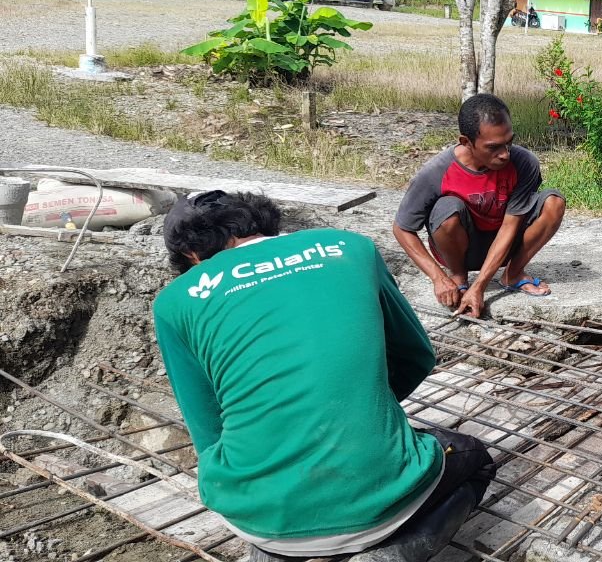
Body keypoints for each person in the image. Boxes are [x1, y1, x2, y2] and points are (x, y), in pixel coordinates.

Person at [153, 191, 496, 561]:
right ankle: (390, 555)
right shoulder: (349, 247)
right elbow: (415, 356)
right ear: (261, 221)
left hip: (257, 516)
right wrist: (356, 408)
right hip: (381, 497)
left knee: (261, 498)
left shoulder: (174, 302)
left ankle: (273, 551)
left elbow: (208, 432)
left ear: (191, 255)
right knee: (475, 458)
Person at [393, 93, 565, 318]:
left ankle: (512, 274)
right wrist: (438, 277)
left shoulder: (524, 163)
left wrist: (480, 286)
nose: (504, 154)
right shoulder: (436, 172)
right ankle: (457, 276)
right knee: (447, 209)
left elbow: (510, 227)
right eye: (493, 147)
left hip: (505, 246)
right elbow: (402, 228)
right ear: (466, 142)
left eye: (509, 142)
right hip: (462, 250)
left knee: (553, 202)